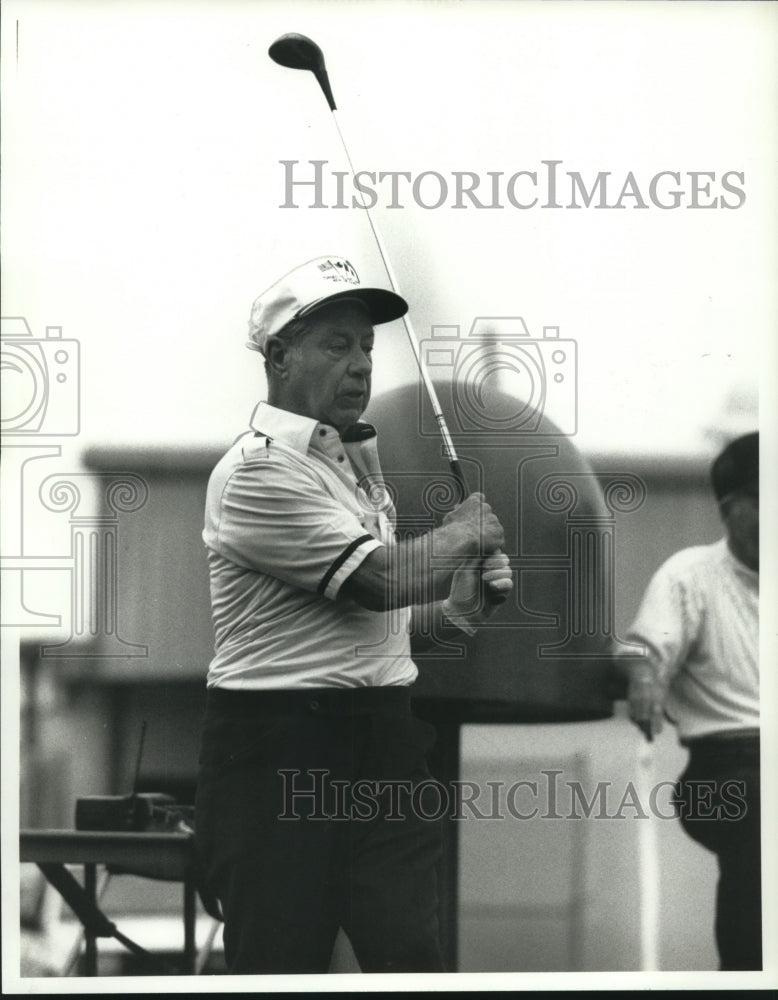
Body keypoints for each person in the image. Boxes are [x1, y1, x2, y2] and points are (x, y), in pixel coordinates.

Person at [194, 255, 513, 974]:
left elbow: (378, 630)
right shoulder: (257, 471)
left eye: (367, 346)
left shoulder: (350, 471)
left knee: (410, 956)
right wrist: (464, 534)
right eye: (337, 345)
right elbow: (373, 582)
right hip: (276, 751)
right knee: (281, 966)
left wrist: (458, 608)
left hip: (384, 738)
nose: (362, 364)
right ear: (278, 356)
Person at [620, 431, 760, 971]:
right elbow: (643, 648)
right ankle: (749, 976)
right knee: (759, 816)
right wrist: (644, 675)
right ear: (732, 509)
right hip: (724, 769)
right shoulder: (689, 576)